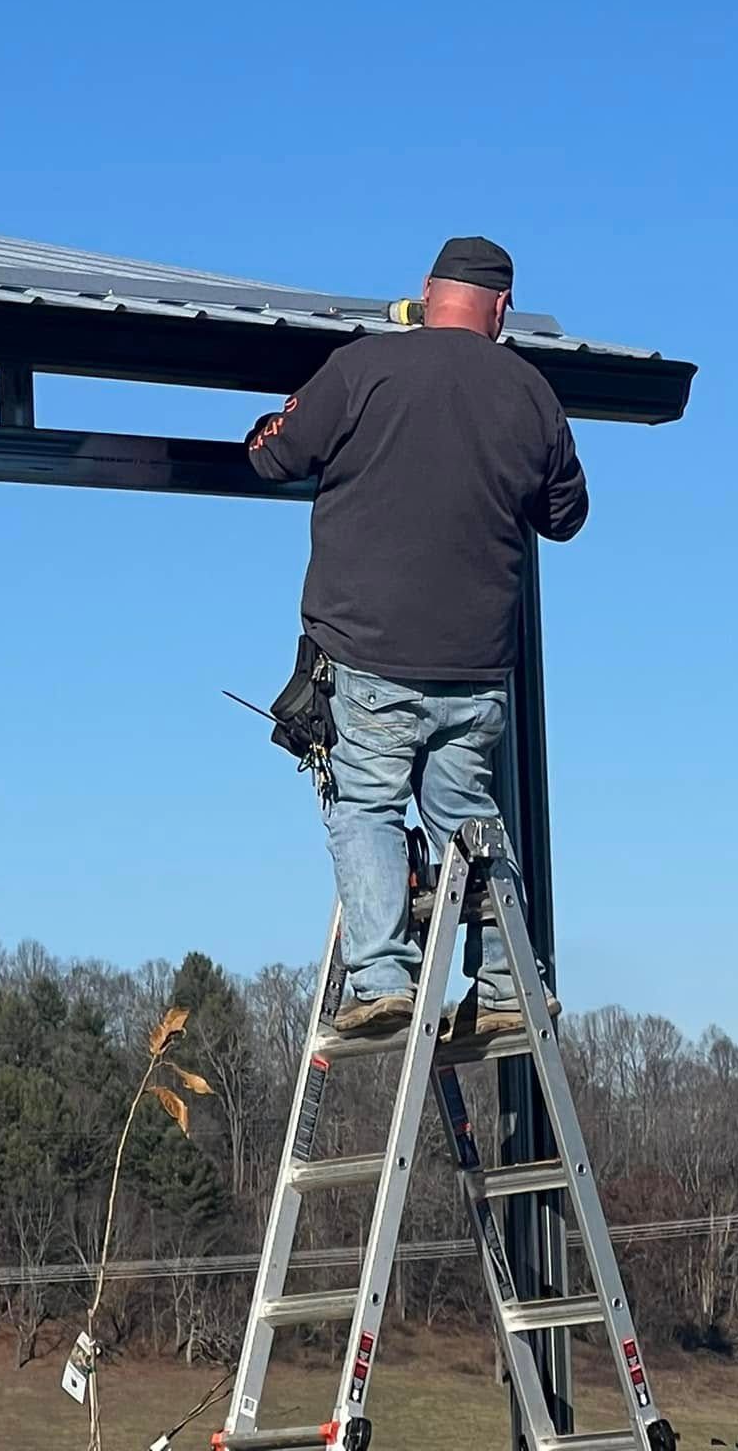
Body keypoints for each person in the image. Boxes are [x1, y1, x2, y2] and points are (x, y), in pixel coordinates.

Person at [246, 235, 589, 1035]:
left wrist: (268, 426)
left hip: (368, 655)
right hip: (474, 669)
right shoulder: (530, 393)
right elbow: (566, 516)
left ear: (427, 293)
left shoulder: (365, 368)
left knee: (364, 806)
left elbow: (277, 455)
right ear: (499, 308)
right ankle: (509, 986)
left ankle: (383, 978)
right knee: (470, 816)